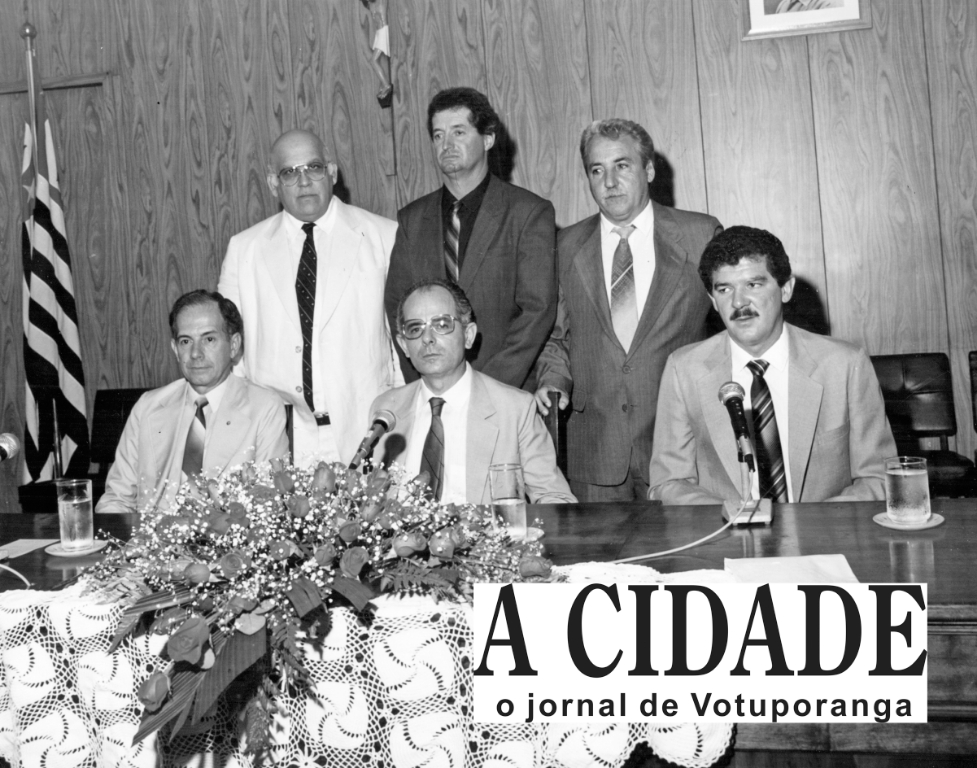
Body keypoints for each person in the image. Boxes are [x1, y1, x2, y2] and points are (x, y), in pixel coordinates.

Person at [534, 118, 722, 501]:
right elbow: (556, 338)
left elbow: (728, 335)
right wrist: (552, 382)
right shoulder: (565, 246)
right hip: (596, 452)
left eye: (622, 165)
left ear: (649, 170)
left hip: (681, 447)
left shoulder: (700, 235)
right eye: (596, 170)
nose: (609, 182)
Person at [648, 226, 896, 505]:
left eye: (753, 285)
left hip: (823, 539)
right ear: (713, 302)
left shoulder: (845, 365)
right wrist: (736, 519)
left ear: (786, 289)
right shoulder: (684, 370)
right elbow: (669, 482)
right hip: (726, 539)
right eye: (725, 289)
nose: (739, 302)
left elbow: (880, 477)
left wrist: (811, 524)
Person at [218, 129, 402, 467]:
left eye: (314, 167)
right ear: (274, 183)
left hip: (366, 433)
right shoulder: (245, 248)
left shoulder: (384, 236)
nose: (304, 181)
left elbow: (400, 344)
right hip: (280, 438)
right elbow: (232, 351)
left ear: (332, 172)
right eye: (290, 172)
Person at [384, 87, 556, 390]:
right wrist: (426, 384)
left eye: (458, 132)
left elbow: (536, 312)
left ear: (488, 139)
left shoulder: (528, 213)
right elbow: (398, 308)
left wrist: (484, 389)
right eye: (438, 136)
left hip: (505, 394)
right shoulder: (412, 219)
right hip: (433, 395)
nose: (446, 145)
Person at [370, 279, 575, 505]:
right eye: (415, 328)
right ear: (404, 345)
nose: (427, 339)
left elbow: (556, 500)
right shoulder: (386, 410)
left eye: (441, 324)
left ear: (468, 336)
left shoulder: (515, 409)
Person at [96, 291, 288, 515]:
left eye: (209, 339)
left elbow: (269, 506)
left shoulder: (264, 407)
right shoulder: (148, 407)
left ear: (234, 345)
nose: (196, 353)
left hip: (227, 543)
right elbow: (117, 499)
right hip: (150, 540)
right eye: (186, 341)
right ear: (175, 349)